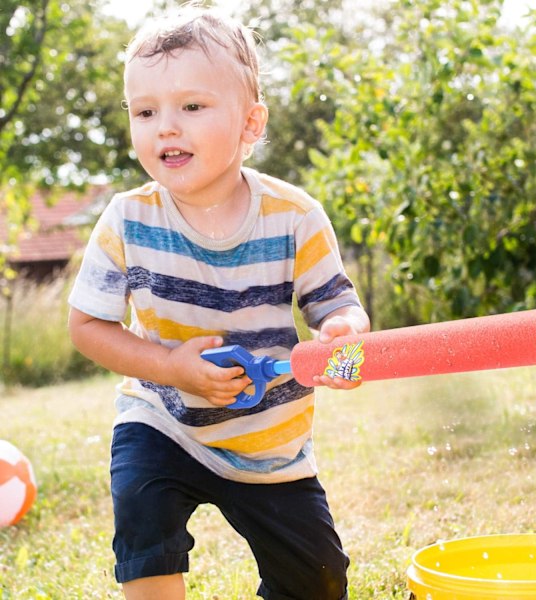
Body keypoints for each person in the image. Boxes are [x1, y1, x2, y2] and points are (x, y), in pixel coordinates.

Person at [68, 4, 370, 599]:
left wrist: (343, 332)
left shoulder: (294, 217)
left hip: (268, 437)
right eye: (145, 111)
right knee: (143, 519)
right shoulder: (128, 219)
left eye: (192, 106)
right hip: (163, 421)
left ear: (250, 124)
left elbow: (336, 304)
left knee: (320, 579)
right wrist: (170, 369)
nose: (165, 128)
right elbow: (87, 326)